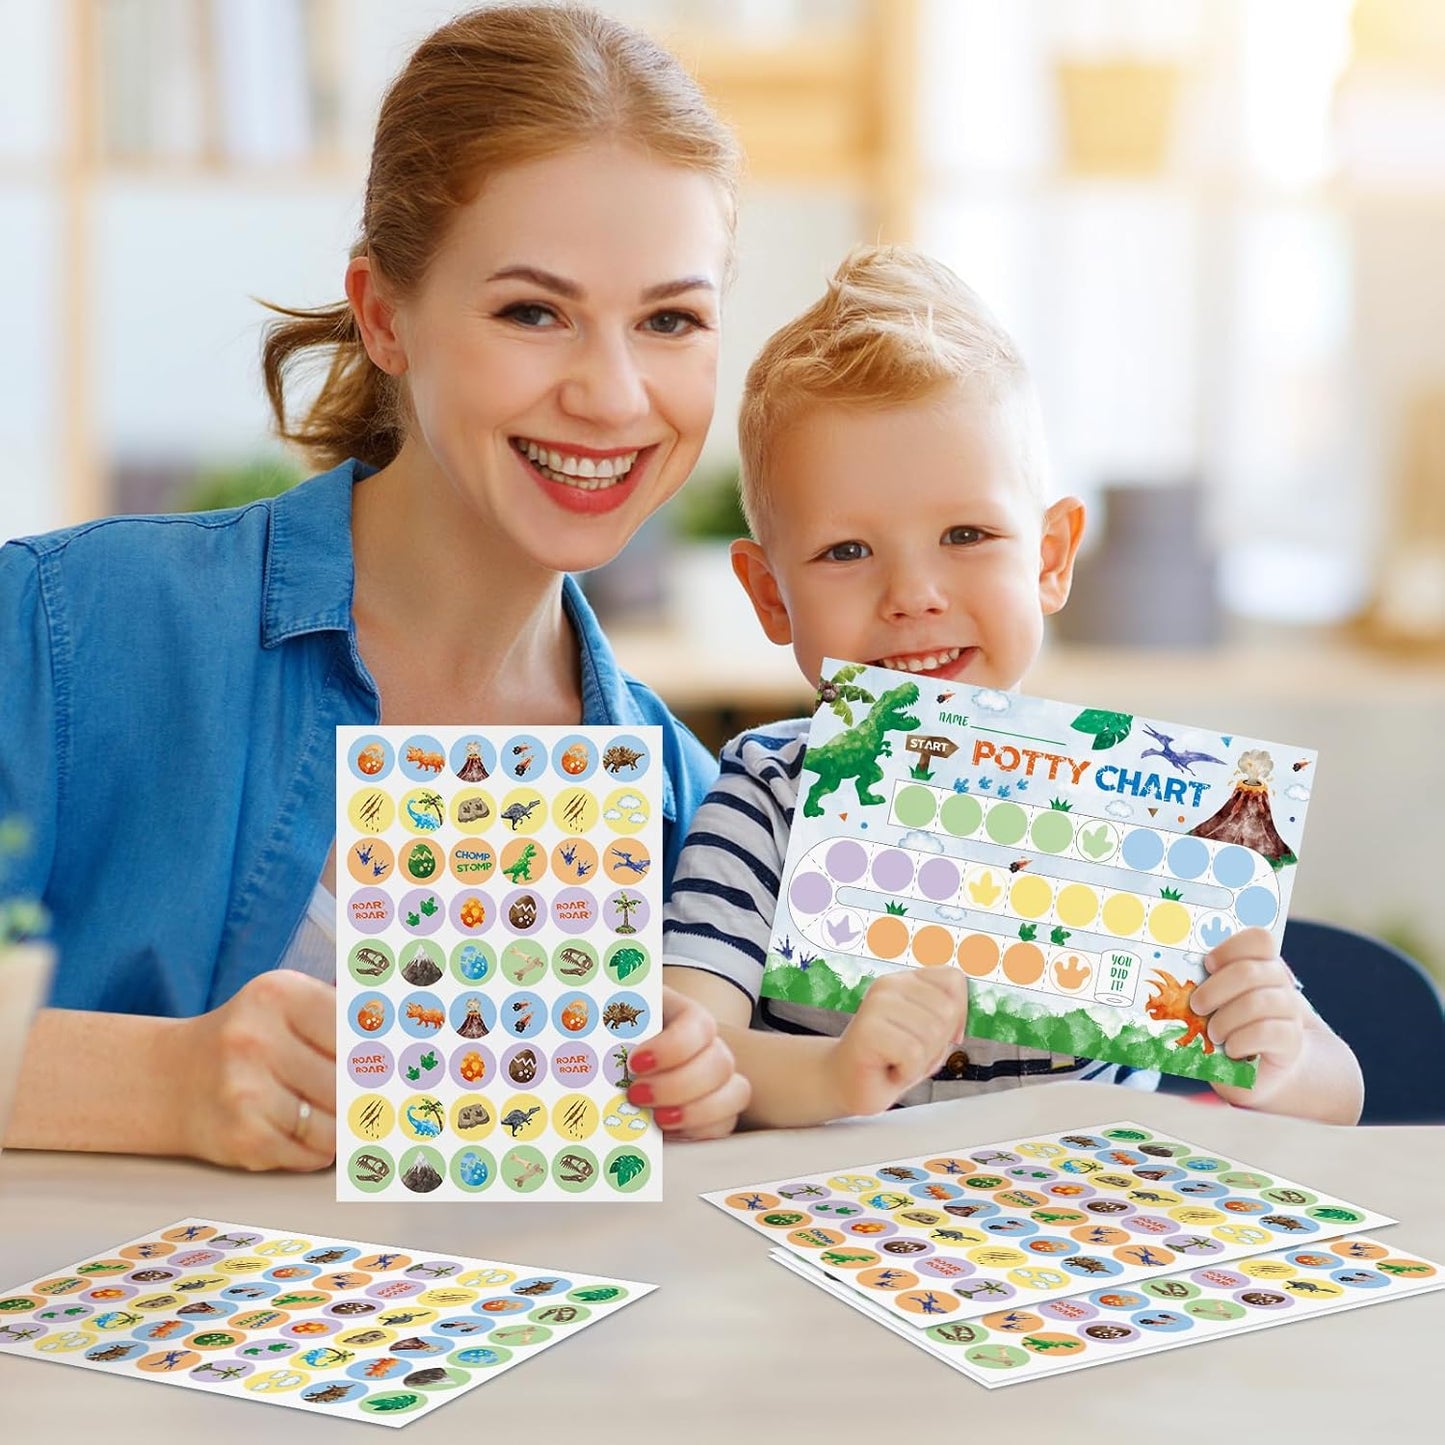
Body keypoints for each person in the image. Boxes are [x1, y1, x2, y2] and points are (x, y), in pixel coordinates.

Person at [0, 3, 753, 1169]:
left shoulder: (684, 807)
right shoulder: (70, 630)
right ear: (383, 315)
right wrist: (163, 1084)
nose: (612, 395)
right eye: (533, 312)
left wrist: (724, 1084)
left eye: (668, 319)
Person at [662, 245, 1363, 1130]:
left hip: (1090, 1235)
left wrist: (1277, 1057)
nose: (913, 594)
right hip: (839, 1238)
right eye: (847, 551)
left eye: (965, 533)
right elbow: (685, 1048)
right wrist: (839, 1074)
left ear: (1051, 557)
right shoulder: (764, 799)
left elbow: (1337, 1088)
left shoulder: (1147, 801)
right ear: (771, 594)